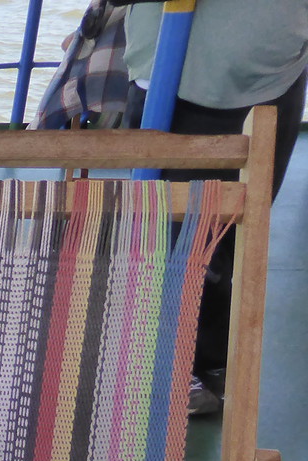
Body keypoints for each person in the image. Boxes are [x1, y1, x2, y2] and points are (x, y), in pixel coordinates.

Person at [120, 0, 308, 415]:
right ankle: (163, 364)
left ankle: (208, 357)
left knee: (239, 229)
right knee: (173, 239)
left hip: (276, 69)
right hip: (179, 80)